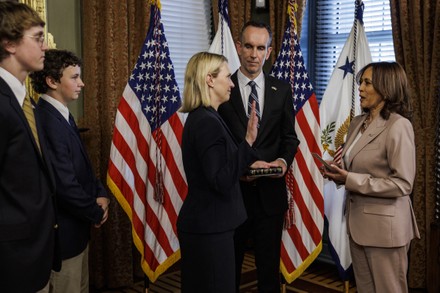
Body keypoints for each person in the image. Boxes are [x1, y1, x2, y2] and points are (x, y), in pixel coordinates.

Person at [322, 61, 420, 292]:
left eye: (367, 83)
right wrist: (337, 173)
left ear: (386, 88)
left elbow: (402, 184)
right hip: (358, 226)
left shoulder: (398, 126)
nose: (361, 88)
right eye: (361, 82)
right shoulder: (358, 123)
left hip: (385, 230)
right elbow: (356, 168)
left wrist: (350, 179)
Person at [218, 21, 300, 292]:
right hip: (233, 195)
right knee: (229, 269)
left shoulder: (282, 90)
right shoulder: (222, 88)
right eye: (249, 46)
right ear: (239, 48)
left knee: (268, 272)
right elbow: (216, 143)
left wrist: (282, 162)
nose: (254, 54)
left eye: (261, 48)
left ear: (269, 51)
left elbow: (290, 138)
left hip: (269, 197)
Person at [177, 52, 261, 293]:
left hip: (209, 225)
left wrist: (248, 163)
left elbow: (219, 169)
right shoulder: (206, 122)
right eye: (227, 76)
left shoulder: (207, 116)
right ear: (209, 80)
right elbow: (220, 180)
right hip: (209, 228)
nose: (233, 83)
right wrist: (247, 142)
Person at [30, 49, 110, 293]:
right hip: (64, 237)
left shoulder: (62, 115)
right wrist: (95, 211)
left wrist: (101, 193)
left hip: (77, 231)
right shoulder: (46, 120)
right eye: (74, 77)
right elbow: (64, 185)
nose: (82, 83)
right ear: (52, 81)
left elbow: (84, 166)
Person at [0, 2, 61, 292]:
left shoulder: (26, 101)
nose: (45, 47)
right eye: (37, 38)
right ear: (9, 43)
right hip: (11, 261)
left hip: (36, 252)